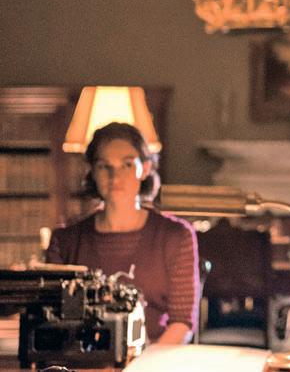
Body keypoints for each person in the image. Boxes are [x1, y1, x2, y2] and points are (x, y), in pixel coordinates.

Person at [45, 122, 199, 345]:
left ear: (144, 168)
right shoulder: (65, 241)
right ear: (92, 172)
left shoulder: (175, 236)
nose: (115, 177)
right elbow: (52, 318)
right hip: (82, 358)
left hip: (154, 357)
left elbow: (182, 322)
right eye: (104, 166)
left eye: (127, 165)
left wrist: (146, 362)